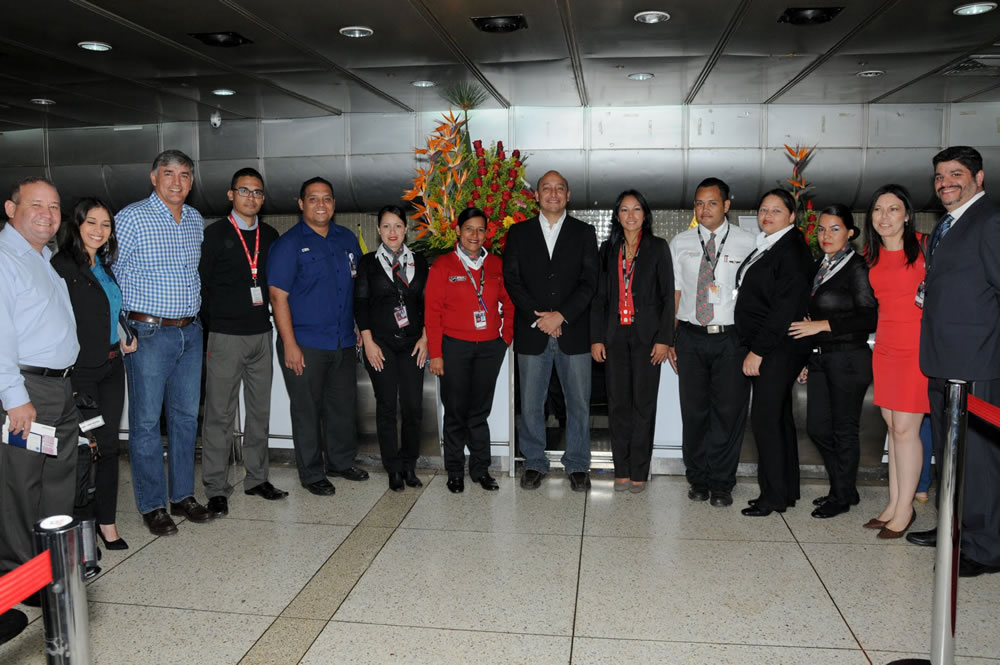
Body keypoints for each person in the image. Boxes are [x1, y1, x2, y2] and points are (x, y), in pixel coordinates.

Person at [911, 146, 1000, 577]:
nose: (946, 182)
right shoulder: (948, 225)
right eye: (939, 176)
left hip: (977, 363)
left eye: (956, 174)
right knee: (951, 456)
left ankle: (984, 548)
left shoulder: (990, 221)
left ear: (978, 178)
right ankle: (952, 528)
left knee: (978, 461)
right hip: (943, 360)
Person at [114, 149, 212, 535]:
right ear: (153, 178)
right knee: (146, 422)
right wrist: (122, 331)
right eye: (169, 173)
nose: (177, 182)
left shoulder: (194, 219)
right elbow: (113, 276)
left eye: (185, 175)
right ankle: (153, 505)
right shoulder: (131, 218)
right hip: (149, 333)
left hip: (190, 330)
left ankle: (183, 496)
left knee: (187, 419)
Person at [0, 177, 80, 601]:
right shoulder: (4, 260)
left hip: (57, 387)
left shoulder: (43, 257)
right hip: (26, 390)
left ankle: (52, 564)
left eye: (54, 206)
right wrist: (15, 399)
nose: (48, 214)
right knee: (21, 485)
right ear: (11, 209)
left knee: (57, 480)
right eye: (36, 205)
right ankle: (19, 577)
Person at [268, 177, 368, 496]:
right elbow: (277, 297)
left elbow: (354, 288)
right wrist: (290, 345)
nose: (321, 204)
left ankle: (340, 461)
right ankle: (311, 473)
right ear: (301, 204)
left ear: (334, 204)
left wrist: (356, 326)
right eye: (313, 199)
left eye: (327, 198)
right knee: (306, 410)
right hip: (305, 344)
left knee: (342, 407)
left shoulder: (347, 239)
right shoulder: (288, 244)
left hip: (342, 340)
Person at [198, 168, 287, 517]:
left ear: (263, 199)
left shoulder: (270, 234)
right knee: (220, 415)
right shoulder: (215, 234)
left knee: (259, 412)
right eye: (244, 191)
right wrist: (213, 328)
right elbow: (202, 287)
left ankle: (257, 478)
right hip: (225, 336)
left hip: (260, 333)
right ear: (230, 194)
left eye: (258, 192)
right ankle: (216, 488)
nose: (251, 197)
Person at [502, 170, 598, 492]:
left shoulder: (584, 233)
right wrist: (541, 318)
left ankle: (578, 464)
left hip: (574, 332)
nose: (553, 194)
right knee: (531, 402)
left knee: (578, 403)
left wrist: (561, 316)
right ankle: (534, 462)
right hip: (533, 331)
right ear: (537, 196)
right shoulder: (518, 233)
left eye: (559, 189)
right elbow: (512, 280)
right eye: (547, 188)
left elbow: (589, 282)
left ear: (568, 196)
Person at [51, 198, 136, 549]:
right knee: (88, 448)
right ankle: (81, 526)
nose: (99, 231)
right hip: (82, 372)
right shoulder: (61, 266)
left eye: (106, 225)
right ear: (77, 225)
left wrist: (122, 330)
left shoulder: (103, 264)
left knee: (110, 446)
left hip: (113, 366)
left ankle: (107, 523)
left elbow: (106, 309)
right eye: (92, 223)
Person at [667, 177, 755, 507]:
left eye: (712, 203)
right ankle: (698, 478)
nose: (705, 209)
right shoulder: (681, 242)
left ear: (727, 206)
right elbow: (675, 293)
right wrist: (670, 337)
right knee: (694, 412)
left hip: (731, 338)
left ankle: (722, 482)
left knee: (729, 413)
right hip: (690, 336)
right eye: (699, 203)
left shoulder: (749, 242)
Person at [788, 204, 876, 519]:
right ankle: (844, 485)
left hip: (849, 359)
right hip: (822, 360)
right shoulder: (820, 265)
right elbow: (811, 315)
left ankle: (840, 495)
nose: (827, 235)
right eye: (822, 229)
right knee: (817, 428)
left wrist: (822, 326)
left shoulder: (857, 268)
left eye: (835, 229)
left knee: (843, 430)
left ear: (850, 233)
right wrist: (806, 356)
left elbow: (870, 315)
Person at [734, 188, 812, 517]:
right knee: (778, 421)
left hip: (774, 350)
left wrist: (758, 351)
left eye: (776, 211)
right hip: (774, 349)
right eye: (763, 210)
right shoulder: (775, 245)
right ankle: (785, 490)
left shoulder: (790, 250)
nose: (767, 216)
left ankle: (772, 496)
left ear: (792, 217)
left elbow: (783, 309)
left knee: (766, 422)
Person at [590, 190, 674, 492]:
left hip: (647, 337)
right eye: (624, 210)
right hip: (614, 337)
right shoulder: (607, 249)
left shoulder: (658, 248)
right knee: (618, 405)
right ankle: (621, 470)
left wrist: (665, 339)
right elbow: (599, 298)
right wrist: (596, 338)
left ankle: (639, 472)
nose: (630, 215)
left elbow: (668, 297)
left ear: (644, 214)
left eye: (636, 209)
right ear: (617, 216)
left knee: (643, 406)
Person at [426, 208, 513, 493]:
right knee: (454, 412)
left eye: (480, 230)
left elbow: (510, 302)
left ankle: (480, 469)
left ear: (486, 233)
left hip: (490, 348)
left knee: (479, 412)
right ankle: (454, 471)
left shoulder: (497, 265)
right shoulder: (443, 266)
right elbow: (432, 313)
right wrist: (436, 354)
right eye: (469, 229)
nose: (474, 235)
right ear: (458, 232)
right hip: (454, 348)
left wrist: (506, 338)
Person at [861, 184, 926, 538]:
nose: (884, 217)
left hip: (916, 348)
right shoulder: (872, 255)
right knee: (891, 426)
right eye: (878, 210)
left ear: (906, 215)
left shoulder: (926, 248)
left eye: (893, 209)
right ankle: (893, 502)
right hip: (885, 346)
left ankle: (906, 510)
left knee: (906, 430)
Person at [355, 205, 429, 492]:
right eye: (386, 226)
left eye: (398, 226)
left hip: (414, 344)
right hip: (381, 345)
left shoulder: (420, 261)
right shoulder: (367, 263)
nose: (392, 232)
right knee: (386, 406)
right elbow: (360, 303)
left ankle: (409, 464)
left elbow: (427, 303)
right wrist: (368, 340)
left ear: (406, 229)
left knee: (412, 406)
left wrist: (426, 337)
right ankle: (393, 468)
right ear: (378, 230)